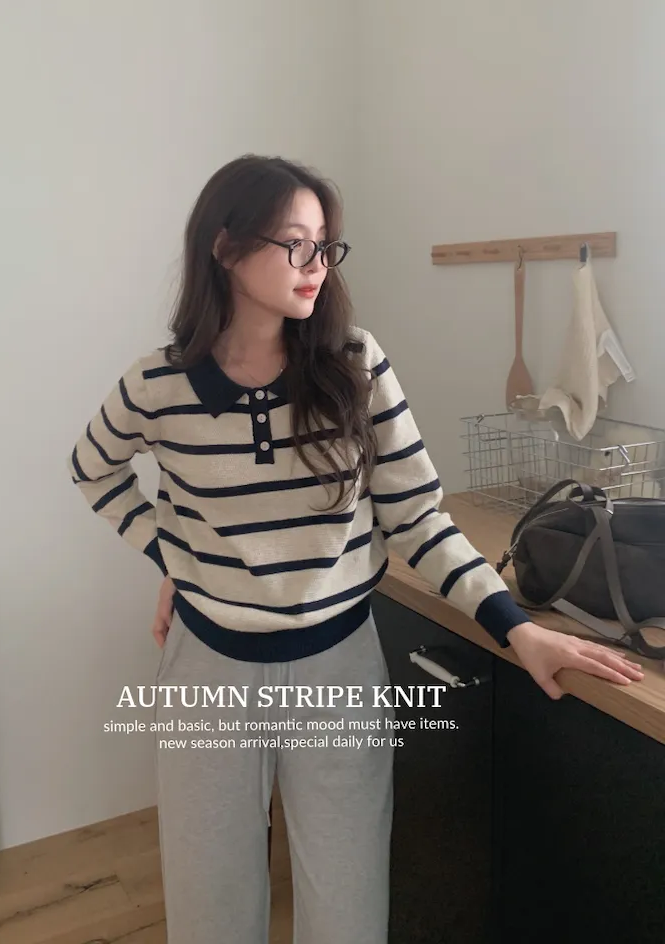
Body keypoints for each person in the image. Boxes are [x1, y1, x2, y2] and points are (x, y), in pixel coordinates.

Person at [67, 154, 643, 944]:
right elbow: (93, 470)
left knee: (348, 909)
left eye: (325, 246)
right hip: (209, 669)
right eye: (295, 244)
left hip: (338, 666)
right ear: (226, 248)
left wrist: (516, 627)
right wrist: (176, 560)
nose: (317, 266)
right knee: (210, 909)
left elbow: (418, 519)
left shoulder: (355, 366)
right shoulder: (155, 387)